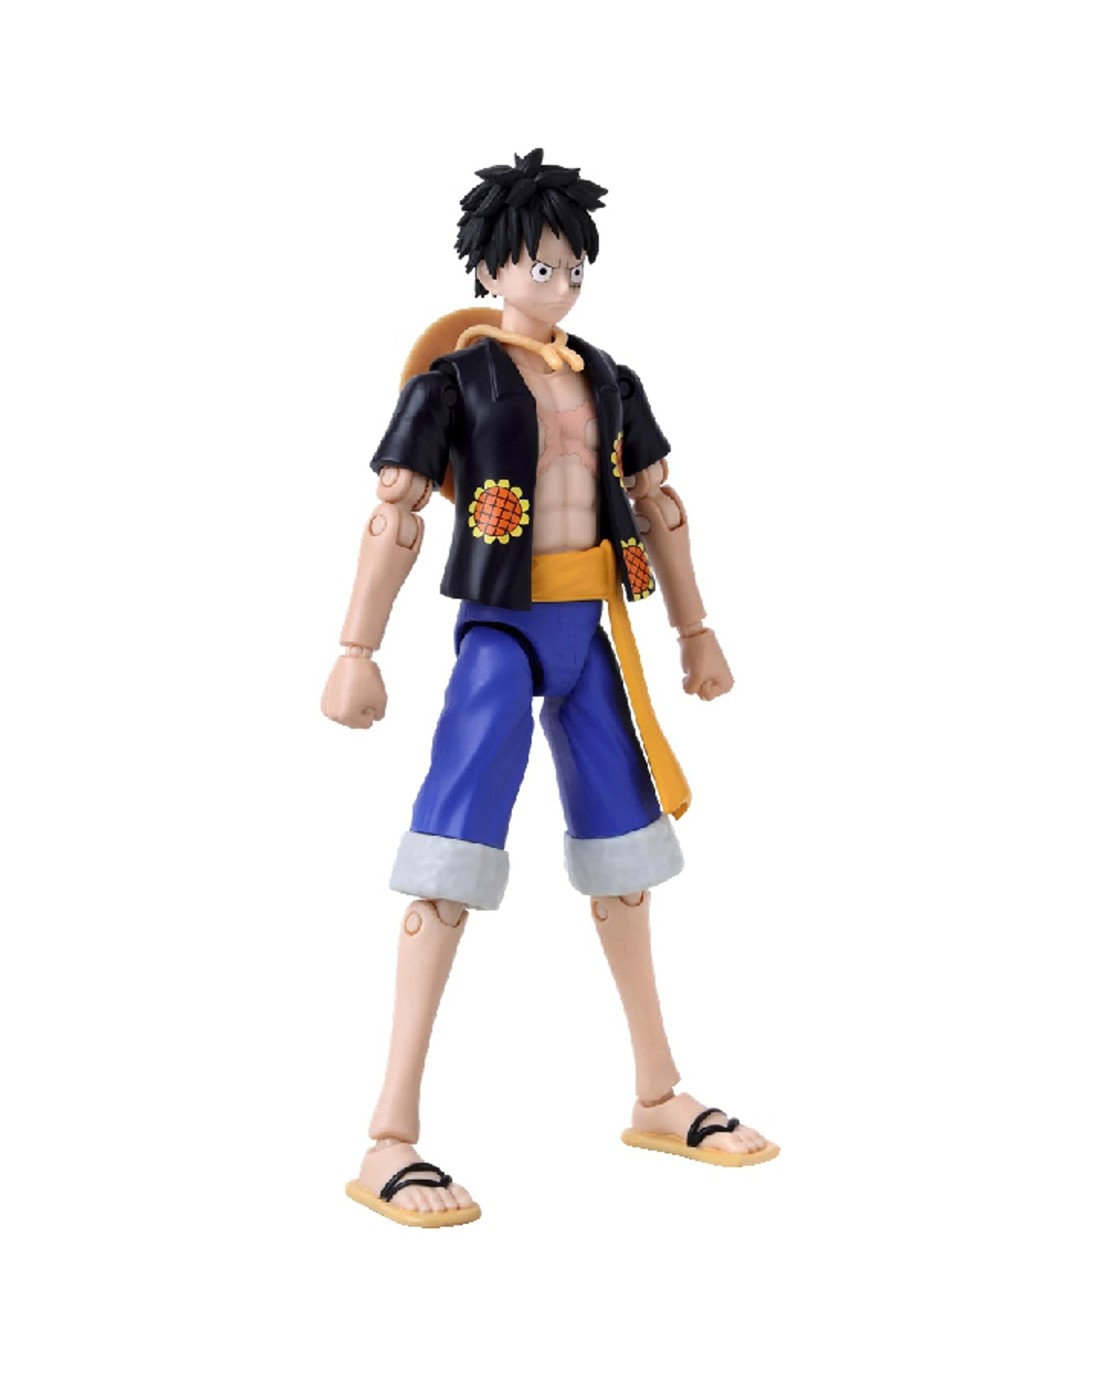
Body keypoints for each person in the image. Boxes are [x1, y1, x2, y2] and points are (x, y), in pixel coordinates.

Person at [322, 149, 778, 1228]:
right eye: (541, 264)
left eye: (573, 267)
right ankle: (389, 1134)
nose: (560, 283)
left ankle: (657, 1093)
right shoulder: (454, 383)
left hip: (593, 635)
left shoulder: (607, 378)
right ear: (489, 268)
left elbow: (660, 506)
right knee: (451, 854)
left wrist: (695, 630)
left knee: (625, 858)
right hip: (502, 634)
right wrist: (356, 646)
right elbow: (395, 512)